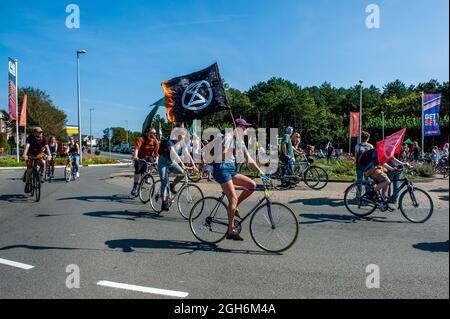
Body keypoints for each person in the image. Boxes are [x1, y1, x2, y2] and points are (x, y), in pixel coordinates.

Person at [210, 118, 269, 241]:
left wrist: (261, 173)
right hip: (221, 169)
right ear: (237, 127)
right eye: (244, 127)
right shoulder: (228, 137)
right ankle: (231, 230)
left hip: (231, 170)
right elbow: (221, 154)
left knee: (252, 185)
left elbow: (249, 160)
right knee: (233, 198)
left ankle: (235, 206)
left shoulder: (240, 142)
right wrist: (227, 147)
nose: (246, 130)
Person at [158, 126, 198, 212]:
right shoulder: (170, 142)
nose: (184, 136)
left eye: (184, 135)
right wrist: (182, 164)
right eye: (182, 135)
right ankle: (164, 203)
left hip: (171, 163)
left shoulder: (182, 143)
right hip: (163, 163)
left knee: (182, 173)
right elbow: (174, 154)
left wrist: (194, 165)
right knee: (164, 182)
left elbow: (188, 154)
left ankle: (172, 185)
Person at [130, 128, 160, 197]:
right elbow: (137, 148)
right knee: (138, 171)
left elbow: (157, 153)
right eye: (152, 133)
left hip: (149, 157)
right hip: (140, 157)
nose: (154, 135)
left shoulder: (156, 142)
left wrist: (157, 160)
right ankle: (135, 187)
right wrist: (135, 157)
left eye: (155, 133)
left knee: (153, 163)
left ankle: (147, 176)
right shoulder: (142, 139)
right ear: (148, 133)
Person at [22, 127, 52, 193]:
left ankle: (41, 175)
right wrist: (24, 154)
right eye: (38, 133)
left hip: (39, 154)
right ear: (34, 133)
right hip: (30, 154)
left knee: (43, 162)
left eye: (40, 133)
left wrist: (49, 155)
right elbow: (27, 146)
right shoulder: (30, 138)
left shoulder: (44, 139)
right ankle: (27, 184)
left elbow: (47, 148)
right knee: (29, 170)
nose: (39, 134)